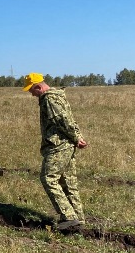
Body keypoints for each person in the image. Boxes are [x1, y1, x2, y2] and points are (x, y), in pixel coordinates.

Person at [23, 72, 88, 230]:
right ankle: (79, 219)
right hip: (67, 144)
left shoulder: (49, 98)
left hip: (58, 145)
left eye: (32, 90)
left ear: (38, 86)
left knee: (48, 178)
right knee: (68, 182)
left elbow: (62, 120)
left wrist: (75, 137)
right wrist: (77, 137)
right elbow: (69, 118)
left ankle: (69, 217)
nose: (32, 95)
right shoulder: (58, 96)